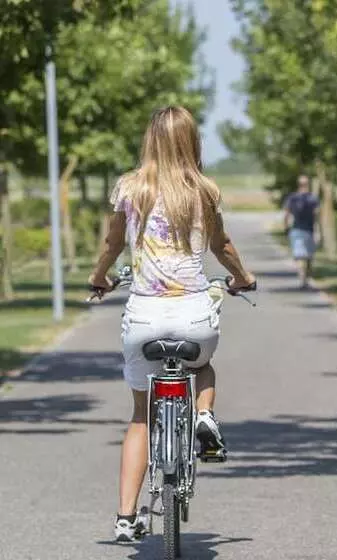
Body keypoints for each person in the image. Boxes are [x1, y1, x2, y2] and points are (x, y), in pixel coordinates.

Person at [88, 106, 256, 543]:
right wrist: (243, 278)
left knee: (141, 416)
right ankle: (204, 415)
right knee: (202, 367)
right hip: (193, 316)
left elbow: (112, 244)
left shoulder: (129, 188)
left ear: (150, 141)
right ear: (192, 142)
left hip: (144, 317)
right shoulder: (204, 190)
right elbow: (222, 246)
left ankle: (125, 516)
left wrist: (99, 276)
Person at [283, 174, 320, 288]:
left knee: (302, 257)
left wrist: (286, 228)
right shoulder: (312, 198)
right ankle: (304, 278)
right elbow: (317, 217)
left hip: (299, 231)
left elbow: (286, 215)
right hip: (305, 231)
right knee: (306, 257)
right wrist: (318, 232)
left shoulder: (293, 198)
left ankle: (303, 278)